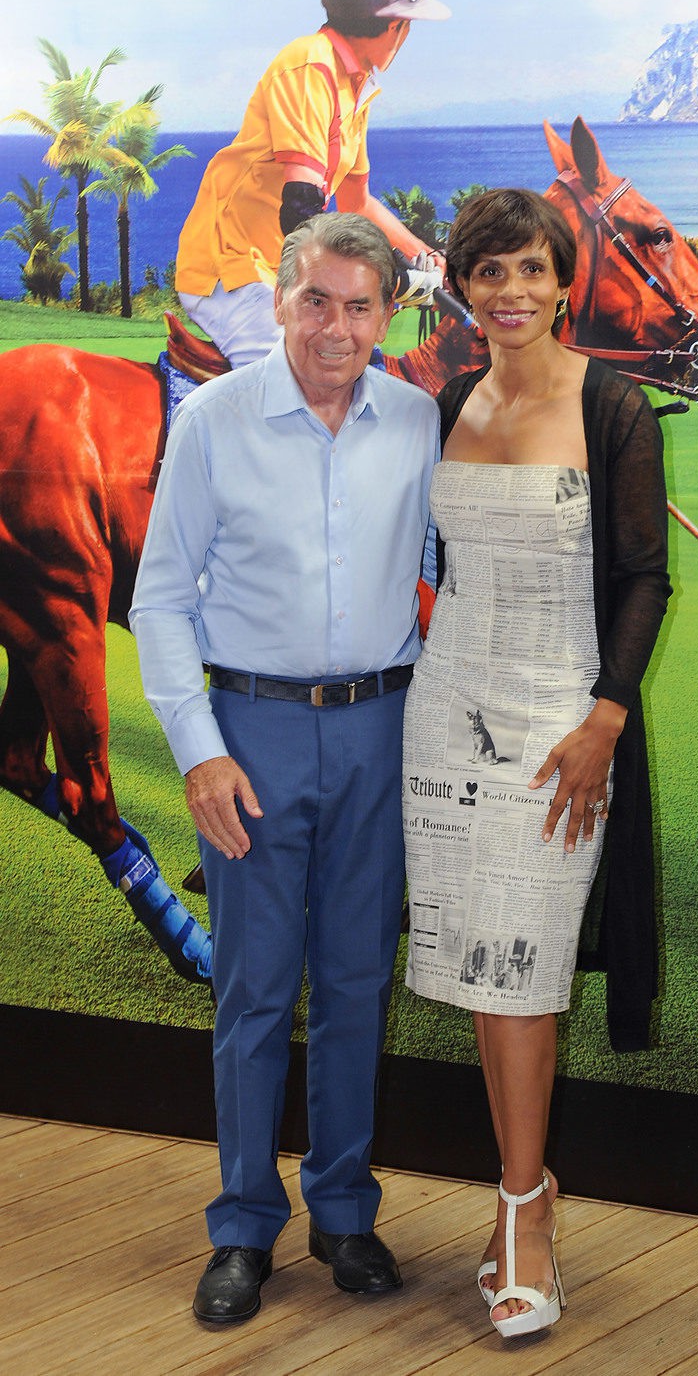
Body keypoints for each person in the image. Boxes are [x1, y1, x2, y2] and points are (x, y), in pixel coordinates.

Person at [131, 212, 440, 1325]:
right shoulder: (213, 420)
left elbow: (450, 565)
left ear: (386, 314)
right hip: (249, 737)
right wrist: (200, 756)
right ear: (278, 301)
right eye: (317, 300)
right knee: (255, 990)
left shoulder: (416, 420)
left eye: (362, 306)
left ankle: (345, 1213)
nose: (337, 326)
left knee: (356, 984)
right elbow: (160, 599)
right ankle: (243, 1228)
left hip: (379, 731)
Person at [401, 189, 671, 1338]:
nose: (509, 292)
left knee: (521, 968)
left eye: (529, 270)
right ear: (461, 286)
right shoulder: (452, 400)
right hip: (444, 709)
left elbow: (646, 577)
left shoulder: (612, 407)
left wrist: (605, 716)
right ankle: (524, 1192)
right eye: (487, 273)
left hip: (559, 727)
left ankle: (523, 1211)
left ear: (565, 282)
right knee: (479, 964)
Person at [175, 0, 449, 369]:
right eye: (408, 24)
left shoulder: (355, 86)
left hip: (279, 270)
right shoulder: (309, 67)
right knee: (306, 380)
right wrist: (386, 272)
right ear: (393, 24)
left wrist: (424, 257)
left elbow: (356, 202)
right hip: (234, 270)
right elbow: (301, 210)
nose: (406, 37)